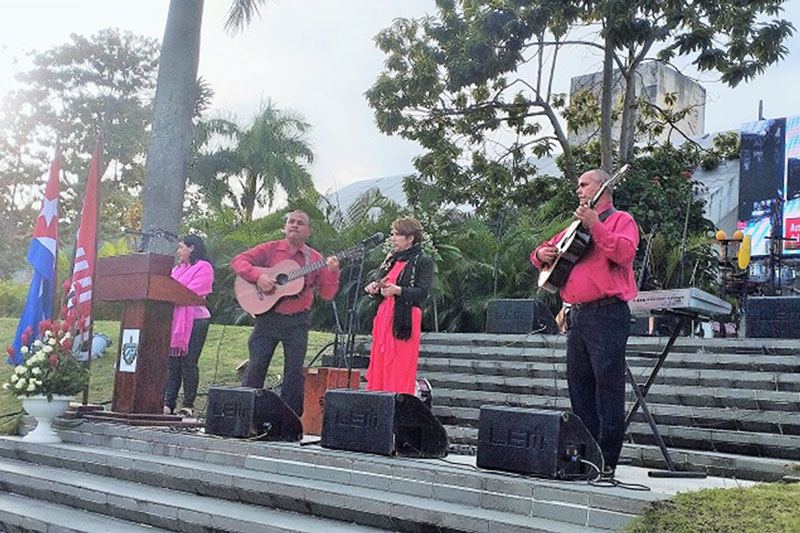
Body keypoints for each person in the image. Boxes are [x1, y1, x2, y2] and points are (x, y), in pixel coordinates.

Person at [530, 168, 639, 477]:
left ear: (603, 187)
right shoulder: (574, 227)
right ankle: (587, 454)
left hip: (607, 313)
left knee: (607, 387)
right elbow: (537, 255)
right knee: (579, 387)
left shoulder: (622, 221)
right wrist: (542, 253)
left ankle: (608, 460)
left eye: (583, 184)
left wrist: (596, 226)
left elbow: (624, 253)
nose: (578, 190)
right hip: (577, 315)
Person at [231, 210, 340, 417]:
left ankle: (288, 421)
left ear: (308, 231)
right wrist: (259, 276)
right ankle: (245, 417)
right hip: (268, 319)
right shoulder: (270, 249)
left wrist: (333, 272)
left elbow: (327, 294)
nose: (294, 225)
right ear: (285, 226)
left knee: (294, 373)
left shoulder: (315, 259)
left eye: (300, 223)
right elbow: (239, 261)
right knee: (256, 367)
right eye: (291, 221)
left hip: (297, 322)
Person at [364, 217, 433, 394]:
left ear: (410, 238)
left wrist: (398, 290)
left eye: (397, 234)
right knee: (380, 361)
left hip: (405, 317)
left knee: (400, 365)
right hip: (384, 316)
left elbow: (423, 293)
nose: (393, 238)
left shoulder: (423, 261)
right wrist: (375, 287)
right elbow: (380, 281)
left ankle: (397, 405)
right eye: (393, 234)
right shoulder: (391, 259)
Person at [164, 235, 214, 417]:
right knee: (173, 364)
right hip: (176, 320)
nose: (178, 251)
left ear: (192, 248)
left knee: (189, 363)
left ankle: (188, 405)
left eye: (181, 247)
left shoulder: (204, 268)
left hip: (197, 320)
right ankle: (168, 404)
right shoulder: (177, 270)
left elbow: (191, 292)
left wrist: (171, 291)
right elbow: (167, 288)